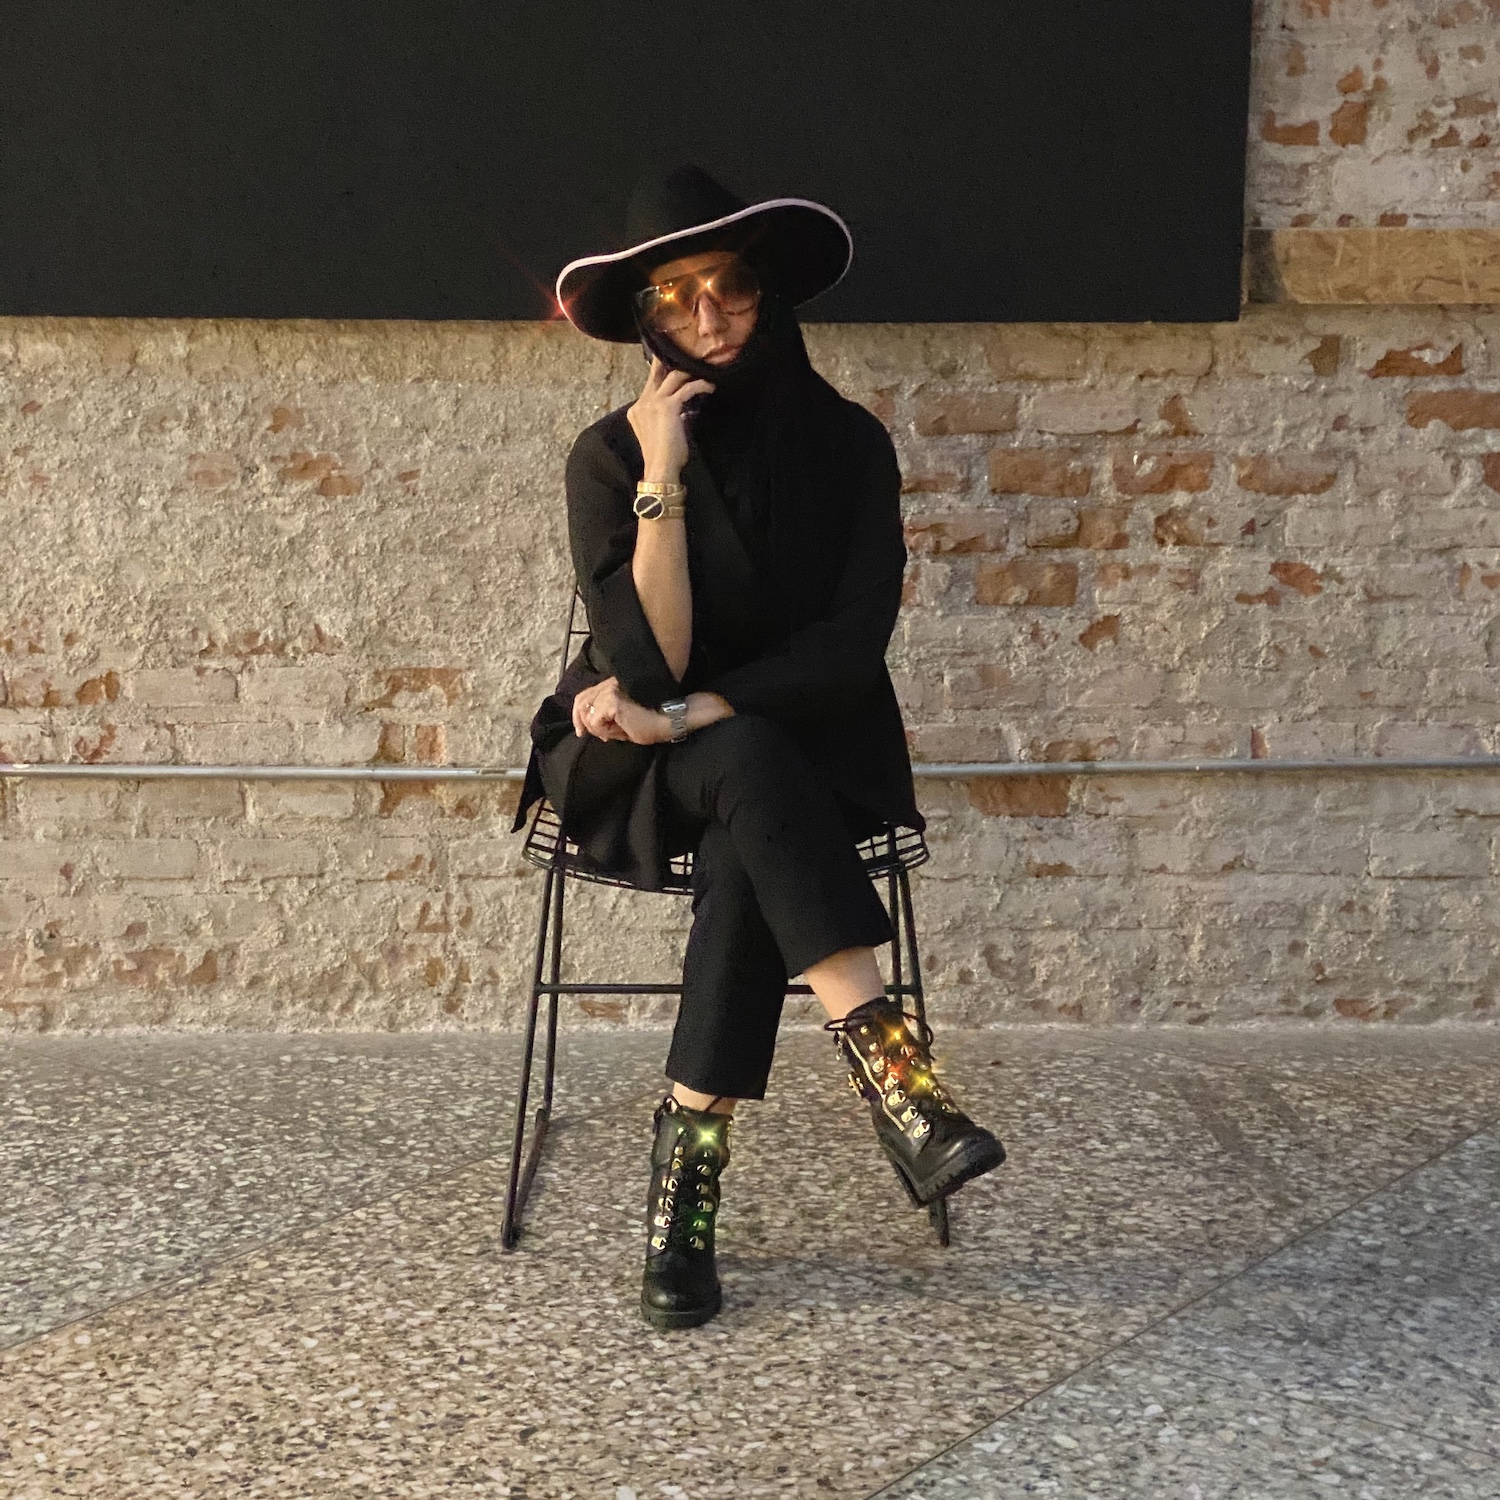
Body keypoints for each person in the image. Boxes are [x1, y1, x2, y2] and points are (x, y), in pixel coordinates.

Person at [515, 164, 1004, 1330]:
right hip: (635, 765)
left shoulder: (850, 447)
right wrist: (664, 474)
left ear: (765, 292)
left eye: (727, 284)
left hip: (790, 751)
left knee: (754, 803)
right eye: (674, 295)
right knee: (754, 774)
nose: (707, 314)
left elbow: (851, 646)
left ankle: (682, 1197)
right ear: (646, 319)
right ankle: (901, 1086)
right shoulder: (607, 457)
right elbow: (649, 666)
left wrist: (696, 713)